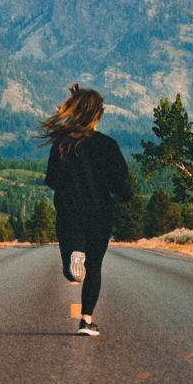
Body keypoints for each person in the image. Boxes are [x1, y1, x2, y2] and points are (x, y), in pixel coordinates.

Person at [40, 84, 132, 337]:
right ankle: (86, 321)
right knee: (95, 267)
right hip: (100, 212)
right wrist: (125, 196)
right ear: (97, 115)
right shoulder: (108, 145)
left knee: (71, 260)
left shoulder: (62, 144)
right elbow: (120, 183)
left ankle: (73, 257)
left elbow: (52, 180)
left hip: (69, 211)